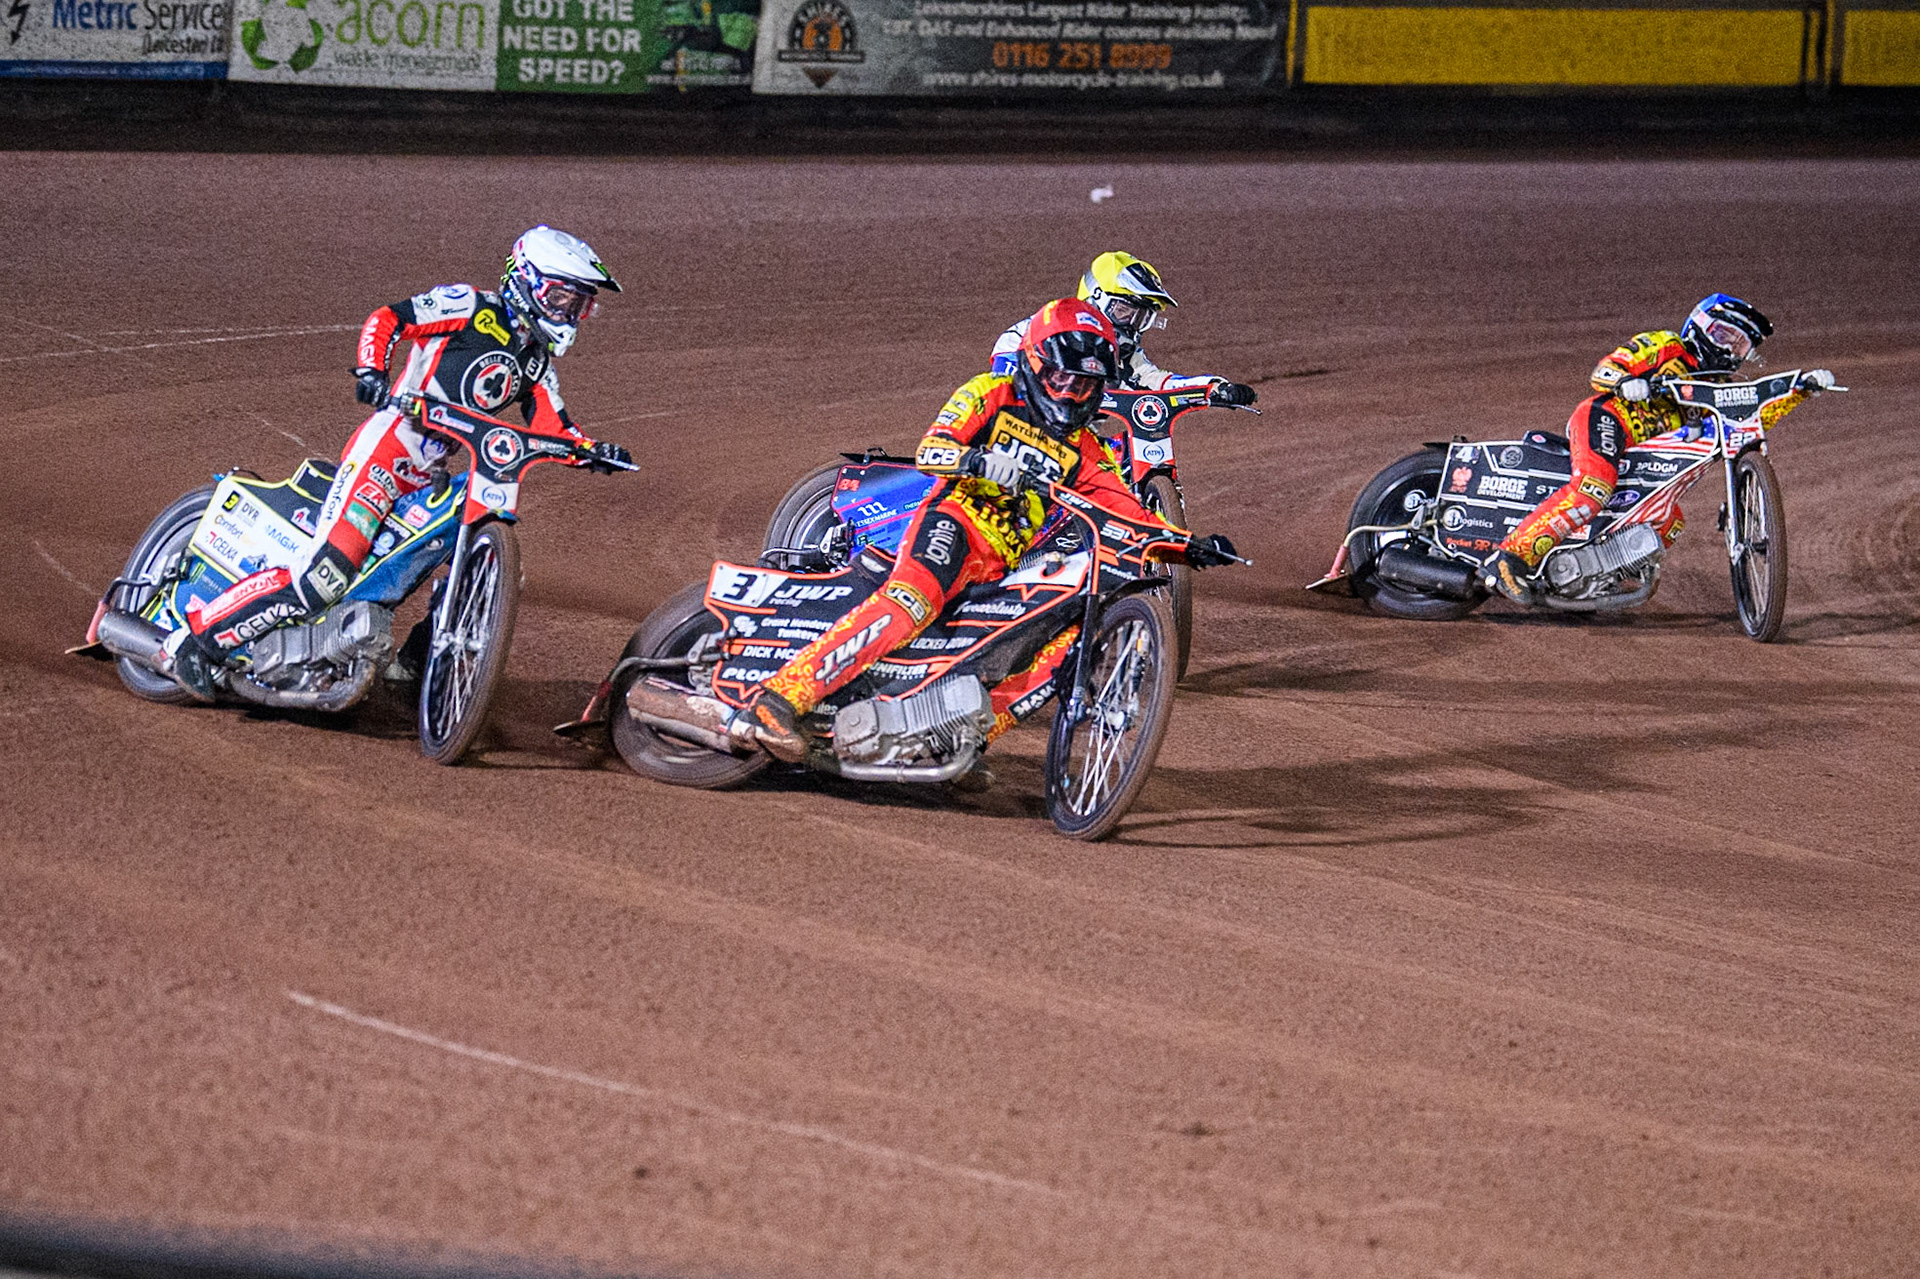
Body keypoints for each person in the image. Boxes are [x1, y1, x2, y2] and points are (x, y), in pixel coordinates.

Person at [734, 298, 1240, 763]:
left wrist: (1187, 548)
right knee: (910, 605)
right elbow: (933, 452)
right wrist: (979, 462)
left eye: (1083, 386)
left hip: (1009, 563)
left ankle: (951, 741)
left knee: (1047, 652)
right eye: (1062, 380)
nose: (1070, 394)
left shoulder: (1085, 448)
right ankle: (779, 699)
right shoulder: (992, 394)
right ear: (1038, 366)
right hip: (953, 524)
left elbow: (1126, 510)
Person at [168, 226, 633, 699]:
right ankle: (200, 639)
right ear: (526, 280)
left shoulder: (534, 362)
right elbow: (388, 318)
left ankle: (418, 666)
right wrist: (373, 370)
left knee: (473, 556)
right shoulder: (471, 306)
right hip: (387, 453)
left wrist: (593, 452)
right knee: (324, 576)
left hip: (427, 477)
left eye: (578, 305)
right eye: (560, 298)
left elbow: (555, 426)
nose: (568, 313)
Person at [1484, 293, 1832, 602]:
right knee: (1593, 489)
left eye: (1740, 346)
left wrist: (1800, 391)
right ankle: (1509, 560)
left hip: (1643, 454)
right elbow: (1604, 370)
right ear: (1700, 327)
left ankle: (1589, 577)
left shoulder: (1718, 386)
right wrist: (1628, 382)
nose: (1729, 350)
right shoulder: (1666, 346)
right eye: (1725, 336)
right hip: (1610, 420)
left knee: (1668, 520)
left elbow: (1750, 419)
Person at [990, 252, 1258, 407]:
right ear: (1095, 299)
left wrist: (1214, 388)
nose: (1131, 324)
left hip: (1081, 445)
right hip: (1027, 440)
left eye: (1141, 317)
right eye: (1125, 311)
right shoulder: (1035, 333)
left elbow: (1158, 382)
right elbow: (1004, 382)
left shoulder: (1122, 353)